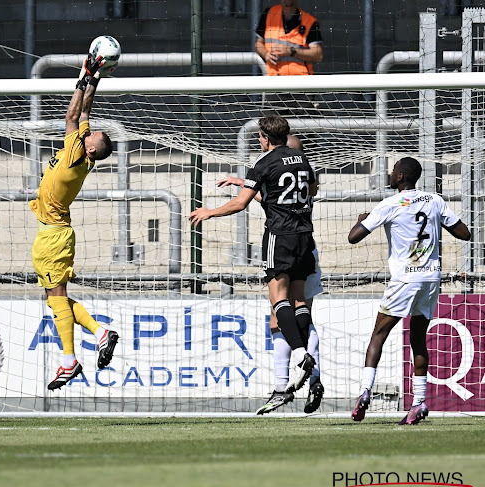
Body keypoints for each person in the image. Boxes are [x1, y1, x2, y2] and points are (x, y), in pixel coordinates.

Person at [190, 115, 317, 394]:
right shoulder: (303, 160)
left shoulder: (264, 163)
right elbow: (307, 193)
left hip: (279, 237)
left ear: (266, 138)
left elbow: (240, 204)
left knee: (278, 299)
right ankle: (303, 353)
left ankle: (299, 356)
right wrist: (243, 182)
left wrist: (208, 212)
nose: (258, 140)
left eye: (259, 136)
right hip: (305, 236)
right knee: (299, 299)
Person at [348, 157, 471, 425]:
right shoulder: (434, 201)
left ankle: (364, 391)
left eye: (393, 171)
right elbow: (465, 233)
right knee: (418, 338)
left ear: (401, 176)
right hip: (430, 279)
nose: (390, 174)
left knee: (379, 334)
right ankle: (418, 403)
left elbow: (353, 236)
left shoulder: (389, 204)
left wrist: (364, 219)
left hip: (405, 278)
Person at [214, 135, 324, 414]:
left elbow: (262, 202)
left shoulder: (273, 163)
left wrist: (215, 208)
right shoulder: (303, 168)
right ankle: (303, 383)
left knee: (280, 315)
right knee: (297, 312)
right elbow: (280, 197)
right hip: (306, 245)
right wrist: (244, 184)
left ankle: (298, 379)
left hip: (284, 243)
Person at [29, 50, 119, 390]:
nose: (86, 133)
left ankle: (68, 361)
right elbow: (84, 111)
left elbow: (72, 114)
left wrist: (84, 76)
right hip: (55, 233)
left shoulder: (75, 155)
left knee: (55, 298)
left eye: (90, 137)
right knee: (59, 298)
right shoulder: (80, 150)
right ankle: (100, 332)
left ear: (92, 150)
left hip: (53, 236)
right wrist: (92, 78)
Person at [255, 0, 323, 77]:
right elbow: (258, 43)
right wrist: (265, 54)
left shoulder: (310, 22)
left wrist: (292, 51)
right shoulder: (268, 14)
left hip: (300, 81)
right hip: (272, 80)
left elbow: (318, 55)